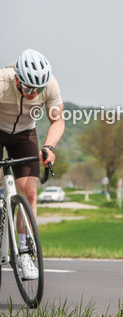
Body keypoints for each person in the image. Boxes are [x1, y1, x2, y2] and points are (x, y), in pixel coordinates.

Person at [0, 49, 64, 280]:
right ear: (16, 78)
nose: (33, 93)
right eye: (28, 87)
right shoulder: (2, 81)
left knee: (29, 192)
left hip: (24, 133)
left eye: (37, 89)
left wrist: (49, 147)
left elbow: (57, 119)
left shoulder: (50, 85)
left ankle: (25, 251)